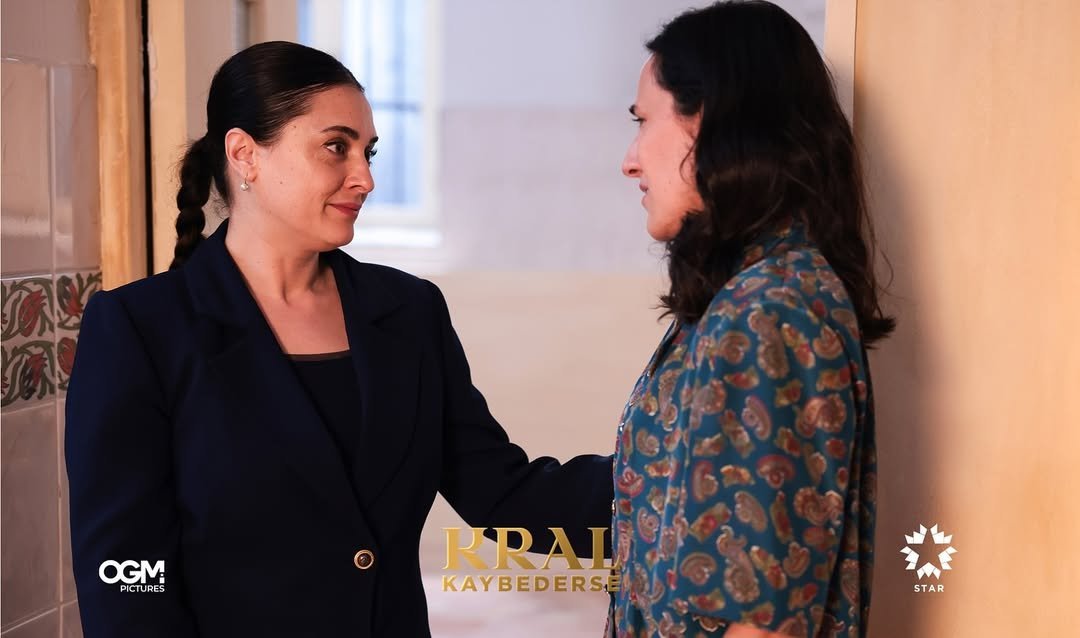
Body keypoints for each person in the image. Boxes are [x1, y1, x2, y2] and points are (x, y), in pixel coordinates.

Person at [65, 41, 612, 638]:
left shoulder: (409, 311)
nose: (365, 178)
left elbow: (502, 493)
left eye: (368, 152)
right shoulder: (140, 329)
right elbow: (126, 574)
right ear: (245, 154)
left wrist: (664, 481)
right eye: (336, 147)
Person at [608, 2, 893, 636]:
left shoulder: (768, 310)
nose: (630, 160)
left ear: (710, 121)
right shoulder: (753, 295)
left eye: (643, 121)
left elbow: (759, 619)